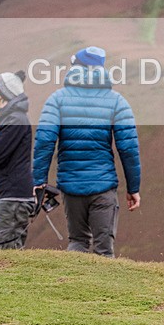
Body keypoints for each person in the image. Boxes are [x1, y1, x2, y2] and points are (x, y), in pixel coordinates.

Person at [33, 46, 141, 258]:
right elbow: (128, 148)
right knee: (104, 249)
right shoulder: (117, 101)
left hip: (71, 186)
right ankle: (103, 290)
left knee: (78, 241)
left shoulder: (57, 99)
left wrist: (39, 180)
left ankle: (71, 287)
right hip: (103, 186)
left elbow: (44, 141)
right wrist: (133, 188)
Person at [0, 70, 34, 250]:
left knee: (9, 253)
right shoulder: (8, 119)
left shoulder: (15, 120)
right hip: (5, 195)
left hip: (13, 198)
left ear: (3, 94)